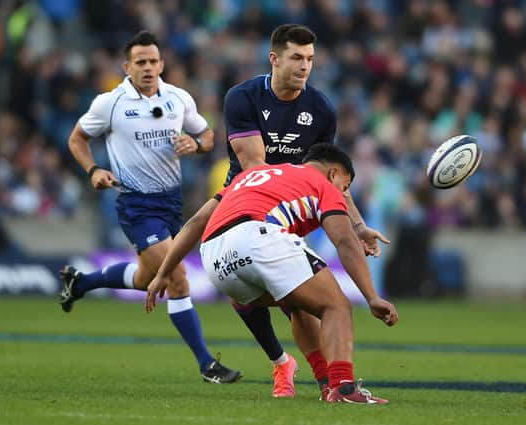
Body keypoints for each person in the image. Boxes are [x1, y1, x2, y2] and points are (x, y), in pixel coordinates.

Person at [146, 144, 399, 404]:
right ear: (334, 173)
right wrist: (371, 296)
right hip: (258, 237)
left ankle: (326, 385)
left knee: (299, 302)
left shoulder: (251, 176)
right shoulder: (322, 184)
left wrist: (163, 272)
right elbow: (345, 241)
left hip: (214, 256)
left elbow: (196, 222)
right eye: (345, 186)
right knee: (337, 306)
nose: (343, 194)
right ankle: (345, 390)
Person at [57, 30, 241, 384]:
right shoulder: (110, 103)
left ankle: (79, 284)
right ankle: (207, 364)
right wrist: (93, 169)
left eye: (153, 61)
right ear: (127, 67)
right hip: (136, 204)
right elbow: (77, 138)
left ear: (162, 64)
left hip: (172, 202)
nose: (147, 67)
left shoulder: (178, 98)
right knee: (177, 277)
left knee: (145, 278)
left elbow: (207, 135)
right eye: (139, 62)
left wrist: (196, 144)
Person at [218, 23, 389, 397]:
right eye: (297, 57)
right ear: (274, 58)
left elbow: (330, 177)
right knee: (305, 300)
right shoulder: (242, 97)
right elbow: (254, 165)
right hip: (246, 201)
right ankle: (289, 365)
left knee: (298, 303)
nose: (304, 66)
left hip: (293, 213)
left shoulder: (321, 109)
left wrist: (358, 226)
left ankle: (326, 381)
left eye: (310, 59)